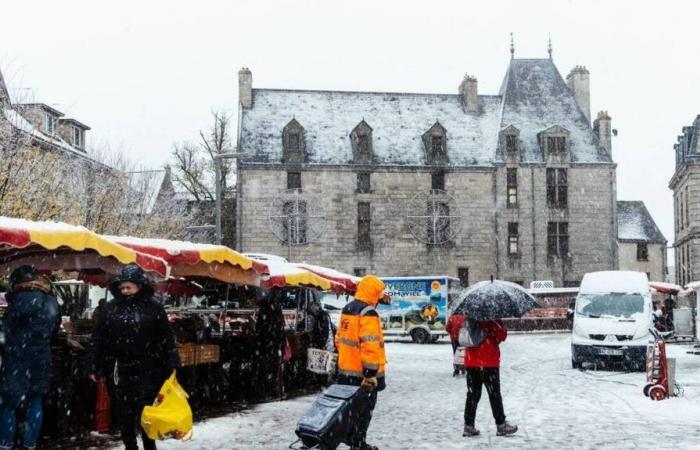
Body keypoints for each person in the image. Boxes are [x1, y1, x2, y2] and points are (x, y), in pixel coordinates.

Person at [88, 264, 181, 450]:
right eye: (122, 287)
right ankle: (130, 446)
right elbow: (98, 338)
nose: (124, 291)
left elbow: (166, 338)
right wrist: (93, 364)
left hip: (148, 368)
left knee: (146, 414)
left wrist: (172, 363)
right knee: (124, 416)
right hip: (118, 369)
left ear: (139, 286)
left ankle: (149, 446)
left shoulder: (154, 308)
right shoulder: (111, 308)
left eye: (128, 287)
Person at [0, 265, 59, 450]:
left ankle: (6, 443)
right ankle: (30, 443)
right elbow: (54, 330)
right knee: (35, 402)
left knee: (8, 404)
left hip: (17, 358)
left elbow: (5, 333)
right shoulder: (51, 301)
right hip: (41, 358)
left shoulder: (18, 300)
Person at [335, 275, 388, 450]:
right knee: (364, 412)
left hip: (346, 371)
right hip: (364, 375)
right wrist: (370, 374)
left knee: (350, 411)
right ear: (373, 293)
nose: (380, 299)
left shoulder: (347, 309)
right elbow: (370, 345)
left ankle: (352, 440)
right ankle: (358, 443)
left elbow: (339, 339)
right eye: (379, 294)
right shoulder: (368, 312)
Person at [462, 319, 517, 438]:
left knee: (472, 394)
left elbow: (459, 334)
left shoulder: (469, 318)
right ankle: (501, 425)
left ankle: (468, 426)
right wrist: (498, 325)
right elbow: (502, 335)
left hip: (472, 362)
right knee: (494, 394)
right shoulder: (493, 318)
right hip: (489, 361)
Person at [254, 290, 286, 400]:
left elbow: (259, 328)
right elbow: (281, 328)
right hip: (274, 345)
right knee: (274, 370)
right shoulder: (276, 309)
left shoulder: (264, 310)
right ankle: (274, 393)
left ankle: (266, 393)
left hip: (266, 345)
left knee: (265, 370)